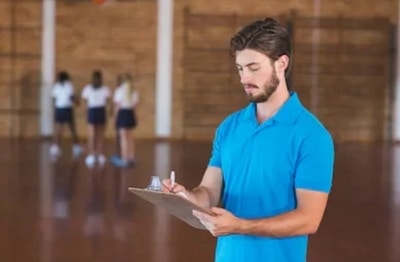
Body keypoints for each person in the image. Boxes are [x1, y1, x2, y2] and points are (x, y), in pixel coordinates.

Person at [162, 17, 335, 262]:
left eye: (254, 68)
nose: (244, 78)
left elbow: (309, 219)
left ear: (281, 63)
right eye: (240, 69)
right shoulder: (229, 127)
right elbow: (208, 192)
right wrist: (186, 197)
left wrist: (240, 226)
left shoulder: (312, 136)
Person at [49, 70, 83, 158]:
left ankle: (54, 148)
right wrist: (77, 102)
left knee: (58, 129)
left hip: (59, 108)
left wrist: (56, 106)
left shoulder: (56, 86)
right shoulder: (69, 85)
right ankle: (76, 147)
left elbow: (53, 98)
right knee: (72, 128)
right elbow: (71, 97)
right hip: (67, 109)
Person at [81, 70, 111, 166]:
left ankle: (99, 154)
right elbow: (85, 101)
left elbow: (108, 100)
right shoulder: (88, 89)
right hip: (94, 110)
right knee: (93, 134)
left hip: (98, 110)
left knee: (98, 134)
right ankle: (93, 154)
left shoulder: (104, 89)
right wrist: (86, 110)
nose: (97, 80)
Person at [111, 73, 139, 167]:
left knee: (123, 138)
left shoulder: (119, 91)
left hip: (122, 113)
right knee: (130, 137)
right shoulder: (134, 92)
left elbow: (117, 106)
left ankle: (124, 158)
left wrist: (115, 118)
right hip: (130, 113)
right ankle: (131, 156)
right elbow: (135, 106)